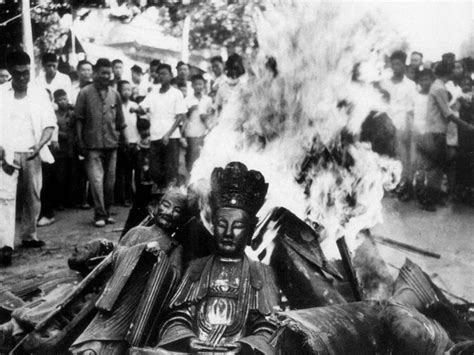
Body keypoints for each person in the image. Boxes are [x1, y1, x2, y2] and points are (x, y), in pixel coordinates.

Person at [156, 162, 280, 354]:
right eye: (222, 224)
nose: (229, 232)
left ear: (249, 231)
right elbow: (176, 316)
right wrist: (188, 340)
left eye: (238, 226)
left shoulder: (261, 272)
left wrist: (245, 346)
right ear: (213, 227)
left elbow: (270, 326)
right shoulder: (197, 268)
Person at [70, 188, 188, 355]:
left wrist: (161, 261)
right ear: (155, 207)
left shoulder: (175, 247)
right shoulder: (138, 232)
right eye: (166, 205)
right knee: (91, 345)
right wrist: (140, 251)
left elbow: (175, 277)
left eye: (177, 210)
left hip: (138, 305)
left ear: (182, 218)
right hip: (115, 298)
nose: (169, 212)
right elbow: (116, 255)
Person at [0, 51, 57, 266]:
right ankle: (5, 244)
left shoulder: (39, 93)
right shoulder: (1, 94)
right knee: (5, 197)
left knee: (32, 196)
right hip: (7, 153)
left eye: (26, 73)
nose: (23, 77)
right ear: (11, 73)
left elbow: (49, 124)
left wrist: (40, 144)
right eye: (18, 74)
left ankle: (29, 235)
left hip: (32, 150)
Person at [75, 58, 128, 227]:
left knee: (109, 182)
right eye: (103, 73)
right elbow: (78, 120)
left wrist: (125, 139)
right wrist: (80, 142)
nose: (106, 76)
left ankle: (107, 211)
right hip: (91, 145)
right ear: (95, 73)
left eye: (108, 73)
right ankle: (99, 214)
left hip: (112, 145)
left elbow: (120, 121)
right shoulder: (84, 93)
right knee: (96, 181)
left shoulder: (115, 94)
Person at [419, 61, 474, 211]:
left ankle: (432, 197)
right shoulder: (439, 88)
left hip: (435, 130)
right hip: (436, 131)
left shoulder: (437, 86)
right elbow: (447, 113)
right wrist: (467, 126)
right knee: (435, 166)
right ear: (449, 73)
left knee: (437, 165)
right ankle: (428, 199)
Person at [136, 63, 187, 192]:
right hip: (155, 137)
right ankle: (159, 198)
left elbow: (180, 116)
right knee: (154, 171)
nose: (161, 76)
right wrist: (135, 108)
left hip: (171, 138)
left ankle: (169, 201)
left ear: (170, 76)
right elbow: (142, 108)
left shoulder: (176, 93)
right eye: (159, 74)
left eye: (164, 73)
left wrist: (168, 134)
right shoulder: (153, 93)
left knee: (171, 171)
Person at [381, 50, 417, 202]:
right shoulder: (385, 82)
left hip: (402, 125)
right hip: (385, 124)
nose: (396, 67)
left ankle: (403, 186)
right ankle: (385, 186)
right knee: (386, 156)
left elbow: (411, 109)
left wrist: (409, 128)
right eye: (393, 64)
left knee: (402, 157)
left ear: (404, 65)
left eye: (399, 64)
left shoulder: (410, 85)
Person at [38, 89, 75, 226]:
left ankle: (48, 213)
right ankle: (40, 212)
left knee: (46, 181)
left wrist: (54, 140)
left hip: (46, 148)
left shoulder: (48, 111)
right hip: (34, 148)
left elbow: (52, 126)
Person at [115, 80, 140, 206]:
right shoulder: (116, 107)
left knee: (134, 172)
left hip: (135, 141)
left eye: (129, 89)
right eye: (124, 89)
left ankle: (134, 196)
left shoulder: (135, 106)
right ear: (118, 91)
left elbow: (139, 125)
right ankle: (123, 197)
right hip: (122, 142)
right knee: (122, 172)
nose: (127, 92)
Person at [412, 69, 434, 208]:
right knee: (419, 165)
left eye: (428, 79)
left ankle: (428, 194)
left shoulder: (433, 96)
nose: (425, 82)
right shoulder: (415, 97)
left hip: (431, 133)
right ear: (419, 82)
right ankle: (420, 195)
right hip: (418, 133)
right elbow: (410, 114)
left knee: (430, 165)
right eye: (422, 79)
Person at [183, 74, 212, 173]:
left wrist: (207, 116)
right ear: (192, 86)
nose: (198, 86)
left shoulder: (208, 100)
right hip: (192, 133)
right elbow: (183, 117)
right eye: (196, 84)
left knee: (203, 158)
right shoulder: (187, 99)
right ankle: (190, 180)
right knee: (192, 158)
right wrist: (190, 110)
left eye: (200, 84)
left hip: (204, 132)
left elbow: (211, 115)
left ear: (204, 85)